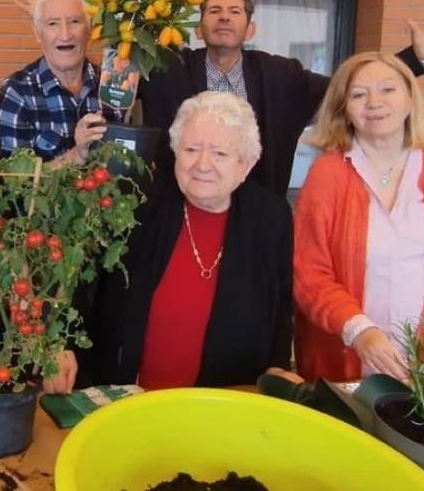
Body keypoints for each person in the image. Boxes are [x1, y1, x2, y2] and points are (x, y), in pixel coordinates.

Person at [138, 0, 424, 195]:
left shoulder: (282, 74)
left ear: (249, 29)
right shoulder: (165, 69)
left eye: (234, 12)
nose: (224, 18)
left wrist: (417, 58)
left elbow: (348, 86)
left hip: (260, 213)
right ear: (199, 29)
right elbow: (115, 89)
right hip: (177, 207)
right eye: (214, 11)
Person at [77, 91, 293, 389]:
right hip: (133, 397)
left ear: (247, 163)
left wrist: (278, 370)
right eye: (191, 149)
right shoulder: (139, 201)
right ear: (176, 151)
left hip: (228, 402)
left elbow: (280, 308)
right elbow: (90, 289)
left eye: (220, 153)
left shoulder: (271, 217)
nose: (202, 165)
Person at [293, 52, 424, 382]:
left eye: (388, 89)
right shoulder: (326, 174)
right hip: (345, 358)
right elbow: (308, 273)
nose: (374, 102)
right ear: (344, 109)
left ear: (410, 98)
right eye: (358, 94)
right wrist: (359, 330)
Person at [0, 0, 122, 166]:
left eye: (74, 21)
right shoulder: (17, 92)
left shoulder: (113, 85)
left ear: (89, 30)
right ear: (38, 34)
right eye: (52, 24)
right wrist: (77, 154)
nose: (65, 34)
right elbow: (16, 183)